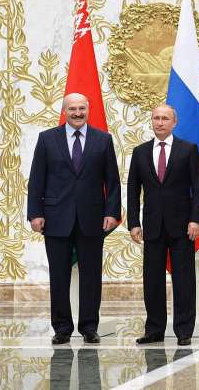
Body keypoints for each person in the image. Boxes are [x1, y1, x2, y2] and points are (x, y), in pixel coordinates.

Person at [27, 93, 121, 345]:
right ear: (64, 111)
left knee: (91, 276)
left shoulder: (103, 139)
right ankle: (62, 328)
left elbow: (112, 181)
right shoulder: (47, 139)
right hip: (55, 219)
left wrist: (112, 213)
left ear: (88, 110)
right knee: (59, 276)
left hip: (92, 219)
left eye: (81, 108)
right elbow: (36, 179)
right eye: (72, 109)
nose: (77, 113)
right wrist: (35, 213)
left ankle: (89, 327)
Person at [127, 104, 199, 346]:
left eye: (164, 118)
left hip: (182, 226)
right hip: (152, 226)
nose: (159, 122)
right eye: (156, 118)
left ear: (174, 123)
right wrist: (133, 223)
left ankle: (184, 330)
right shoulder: (140, 152)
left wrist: (196, 219)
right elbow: (132, 190)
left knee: (184, 280)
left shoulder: (188, 150)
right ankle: (154, 329)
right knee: (152, 280)